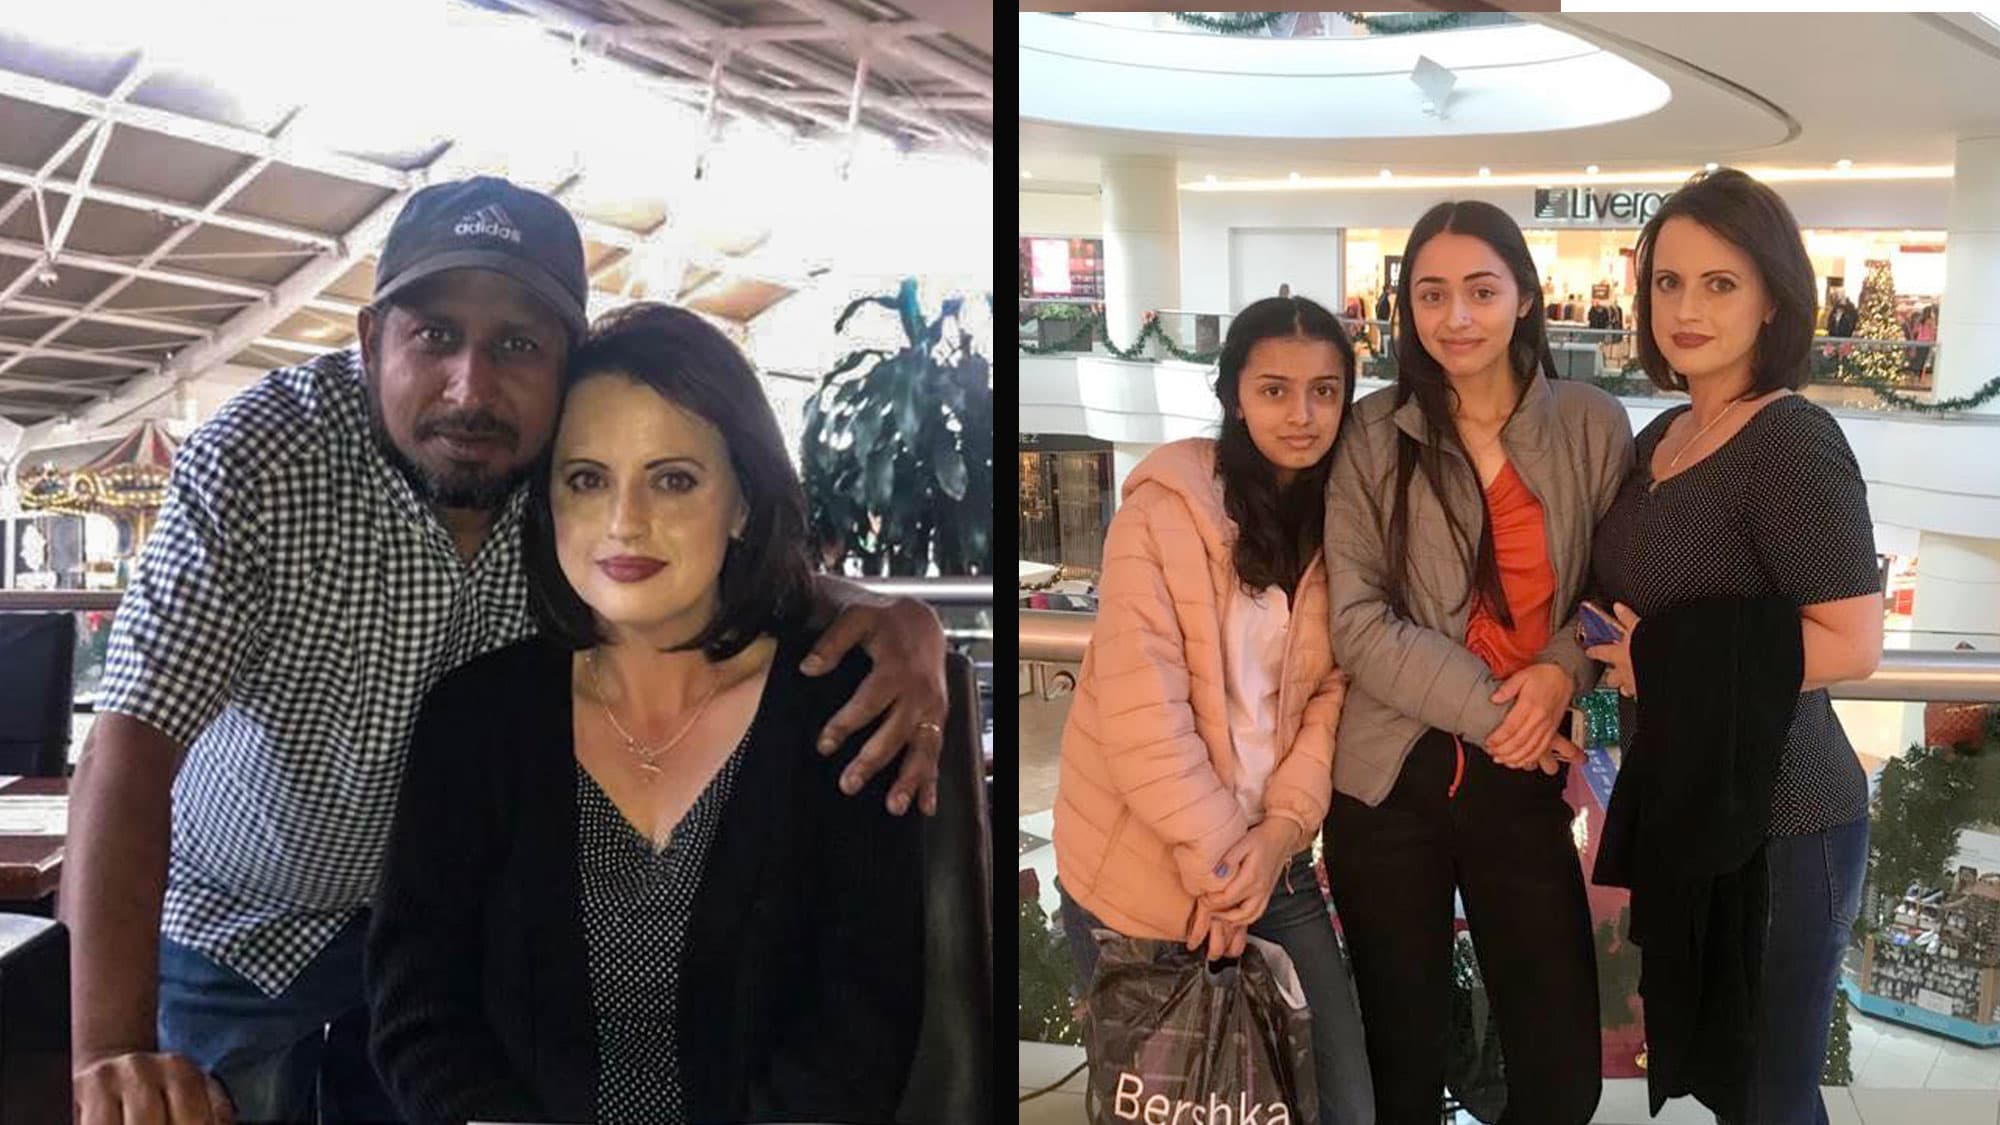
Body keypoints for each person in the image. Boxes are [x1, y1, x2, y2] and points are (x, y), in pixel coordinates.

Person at [65, 176, 950, 1125]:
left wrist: (904, 620)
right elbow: (132, 740)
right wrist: (107, 1050)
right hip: (246, 927)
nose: (472, 387)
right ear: (371, 343)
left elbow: (704, 535)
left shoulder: (568, 467)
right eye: (434, 335)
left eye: (518, 345)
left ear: (566, 363)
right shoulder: (268, 458)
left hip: (464, 937)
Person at [366, 303, 923, 1124]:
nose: (625, 520)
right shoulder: (476, 718)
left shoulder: (844, 712)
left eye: (673, 478)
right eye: (587, 478)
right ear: (549, 501)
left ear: (740, 501)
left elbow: (861, 1026)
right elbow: (417, 1008)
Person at [1321, 200, 1632, 1125]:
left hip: (1523, 783)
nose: (1456, 317)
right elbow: (1357, 622)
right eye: (1431, 294)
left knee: (1560, 1070)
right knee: (1401, 1069)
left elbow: (1607, 603)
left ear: (1526, 297)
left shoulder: (1590, 425)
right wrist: (1504, 712)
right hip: (1389, 779)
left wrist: (1559, 672)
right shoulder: (1373, 434)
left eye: (1481, 290)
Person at [1585, 167, 1882, 1123]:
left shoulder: (1792, 440)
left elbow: (1854, 639)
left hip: (1787, 819)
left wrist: (1665, 664)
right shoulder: (1661, 437)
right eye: (1668, 282)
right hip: (1694, 804)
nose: (1687, 307)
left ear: (1771, 299)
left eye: (1720, 283)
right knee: (1722, 1072)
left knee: (1768, 1088)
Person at [1053, 295, 1375, 1125]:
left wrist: (1277, 838)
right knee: (1167, 1106)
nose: (1302, 415)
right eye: (1274, 389)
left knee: (1341, 1102)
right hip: (1141, 871)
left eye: (1325, 391)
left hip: (1274, 858)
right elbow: (1142, 712)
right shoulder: (1163, 510)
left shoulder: (1343, 523)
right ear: (1235, 393)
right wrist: (1224, 873)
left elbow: (1331, 695)